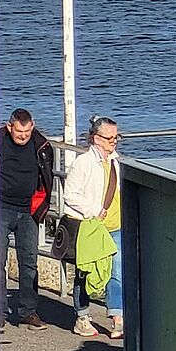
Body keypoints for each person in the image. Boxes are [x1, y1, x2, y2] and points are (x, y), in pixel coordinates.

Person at [60, 116, 123, 339]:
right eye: (109, 138)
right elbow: (70, 194)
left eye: (116, 137)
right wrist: (94, 209)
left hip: (115, 225)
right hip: (91, 226)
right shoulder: (84, 163)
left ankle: (117, 317)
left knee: (116, 272)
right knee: (86, 271)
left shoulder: (116, 161)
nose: (113, 142)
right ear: (96, 139)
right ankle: (82, 316)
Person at [0, 107, 56, 331]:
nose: (23, 136)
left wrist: (42, 205)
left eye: (27, 132)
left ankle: (28, 311)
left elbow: (46, 177)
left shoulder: (41, 146)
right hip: (0, 208)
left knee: (29, 263)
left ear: (33, 127)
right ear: (10, 126)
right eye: (19, 131)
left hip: (29, 211)